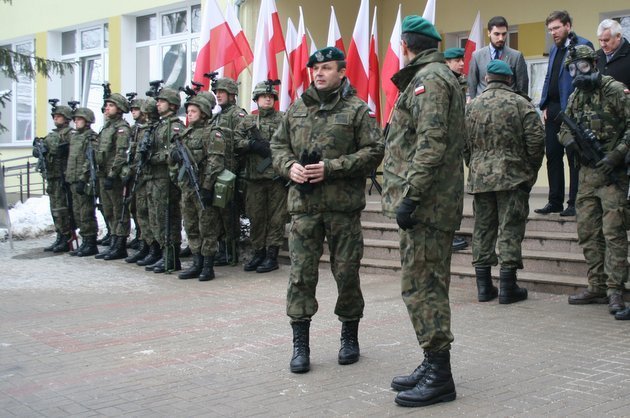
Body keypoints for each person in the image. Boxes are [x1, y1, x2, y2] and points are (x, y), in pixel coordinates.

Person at [271, 46, 384, 374]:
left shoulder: (356, 110)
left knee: (346, 274)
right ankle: (300, 345)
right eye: (315, 69)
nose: (318, 73)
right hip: (304, 209)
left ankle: (349, 337)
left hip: (342, 209)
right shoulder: (296, 109)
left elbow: (375, 150)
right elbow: (278, 146)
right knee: (301, 276)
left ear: (341, 72)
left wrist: (332, 167)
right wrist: (289, 166)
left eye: (326, 68)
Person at [381, 16, 464, 408]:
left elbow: (431, 142)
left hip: (427, 206)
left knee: (423, 287)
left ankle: (440, 376)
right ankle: (431, 362)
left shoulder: (428, 79)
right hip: (430, 203)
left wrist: (411, 197)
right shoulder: (434, 75)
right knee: (424, 285)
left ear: (405, 45)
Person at [465, 60, 545, 304]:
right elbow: (536, 141)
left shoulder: (471, 107)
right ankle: (508, 287)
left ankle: (484, 286)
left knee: (483, 229)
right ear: (509, 80)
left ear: (487, 79)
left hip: (481, 178)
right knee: (510, 229)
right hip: (513, 177)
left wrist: (475, 165)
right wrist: (530, 171)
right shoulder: (522, 104)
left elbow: (463, 144)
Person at [558, 45, 630, 316]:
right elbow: (564, 128)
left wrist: (618, 154)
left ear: (594, 64)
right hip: (587, 175)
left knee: (613, 234)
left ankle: (615, 290)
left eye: (583, 66)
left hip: (613, 175)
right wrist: (570, 141)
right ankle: (596, 285)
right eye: (573, 68)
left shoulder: (613, 90)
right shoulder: (576, 96)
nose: (578, 73)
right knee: (588, 232)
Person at [536, 10, 594, 217]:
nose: (553, 33)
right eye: (550, 29)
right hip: (551, 110)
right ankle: (555, 201)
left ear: (568, 25)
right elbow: (548, 77)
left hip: (572, 111)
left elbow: (587, 81)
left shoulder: (583, 45)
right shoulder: (553, 49)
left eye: (556, 28)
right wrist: (543, 104)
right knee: (552, 155)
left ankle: (574, 202)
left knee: (573, 156)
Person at [170, 93, 225, 281]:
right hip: (187, 188)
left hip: (202, 188)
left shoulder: (212, 133)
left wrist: (208, 186)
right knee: (191, 226)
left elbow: (215, 162)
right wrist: (174, 157)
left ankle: (208, 266)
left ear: (203, 113)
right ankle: (196, 262)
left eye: (194, 111)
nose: (190, 114)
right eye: (189, 111)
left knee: (207, 227)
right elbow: (173, 159)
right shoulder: (185, 133)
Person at [235, 81, 287, 273]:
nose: (267, 99)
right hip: (254, 179)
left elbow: (292, 142)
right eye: (264, 96)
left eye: (271, 96)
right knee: (256, 217)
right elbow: (235, 142)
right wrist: (252, 145)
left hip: (277, 178)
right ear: (256, 99)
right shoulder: (248, 121)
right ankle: (258, 252)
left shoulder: (283, 119)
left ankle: (272, 255)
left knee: (276, 218)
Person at [142, 87, 185, 274]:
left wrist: (154, 157)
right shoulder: (158, 125)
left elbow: (175, 152)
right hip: (153, 178)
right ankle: (163, 254)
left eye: (162, 101)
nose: (157, 104)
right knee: (156, 218)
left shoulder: (174, 126)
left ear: (172, 105)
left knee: (167, 218)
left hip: (166, 178)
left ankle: (171, 257)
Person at [211, 78, 247, 266]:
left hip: (231, 172)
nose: (218, 95)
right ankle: (222, 248)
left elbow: (241, 144)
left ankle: (230, 251)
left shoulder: (237, 115)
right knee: (218, 212)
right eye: (217, 92)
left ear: (232, 94)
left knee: (229, 213)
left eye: (222, 92)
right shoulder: (217, 116)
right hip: (218, 171)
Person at [94, 92, 132, 260]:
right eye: (106, 105)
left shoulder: (121, 128)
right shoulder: (106, 127)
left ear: (119, 109)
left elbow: (121, 153)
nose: (106, 108)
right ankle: (114, 239)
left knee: (119, 211)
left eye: (110, 105)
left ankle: (120, 244)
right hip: (103, 174)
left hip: (114, 176)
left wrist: (112, 174)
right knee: (108, 210)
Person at [34, 101, 74, 252]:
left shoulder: (70, 135)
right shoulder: (52, 135)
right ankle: (60, 235)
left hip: (63, 176)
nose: (55, 119)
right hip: (52, 175)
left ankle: (66, 236)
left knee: (64, 208)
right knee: (55, 208)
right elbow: (42, 150)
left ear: (66, 118)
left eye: (59, 116)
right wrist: (38, 149)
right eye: (54, 116)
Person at [444, 47, 469, 252]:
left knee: (455, 193)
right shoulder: (443, 83)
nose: (461, 64)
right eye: (457, 60)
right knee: (447, 192)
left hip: (456, 145)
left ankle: (452, 230)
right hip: (445, 147)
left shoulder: (461, 82)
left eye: (462, 60)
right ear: (446, 63)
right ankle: (447, 235)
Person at [467, 16, 529, 99]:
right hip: (483, 106)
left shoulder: (516, 56)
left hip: (508, 106)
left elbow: (522, 87)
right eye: (497, 34)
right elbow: (472, 84)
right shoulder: (477, 56)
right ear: (489, 33)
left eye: (504, 34)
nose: (501, 38)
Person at [65, 107, 99, 257]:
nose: (76, 122)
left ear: (87, 121)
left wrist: (82, 178)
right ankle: (85, 240)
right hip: (73, 178)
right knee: (77, 212)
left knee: (86, 212)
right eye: (75, 119)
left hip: (83, 180)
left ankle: (90, 242)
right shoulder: (74, 137)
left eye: (79, 119)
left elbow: (89, 159)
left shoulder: (90, 137)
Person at [595, 19, 630, 88]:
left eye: (606, 40)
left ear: (618, 36)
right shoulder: (596, 56)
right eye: (600, 40)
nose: (602, 45)